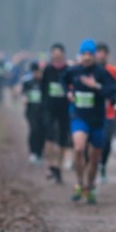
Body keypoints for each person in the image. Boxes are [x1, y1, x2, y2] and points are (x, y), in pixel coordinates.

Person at [63, 39, 116, 205]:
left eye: (90, 54)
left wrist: (97, 86)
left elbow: (114, 93)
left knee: (95, 159)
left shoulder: (102, 73)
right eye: (84, 54)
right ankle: (79, 183)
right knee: (79, 148)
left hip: (97, 120)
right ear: (80, 55)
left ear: (94, 55)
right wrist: (68, 92)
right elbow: (63, 80)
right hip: (79, 117)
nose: (87, 57)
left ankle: (90, 186)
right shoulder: (74, 71)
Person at [41, 43, 71, 184]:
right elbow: (43, 89)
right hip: (49, 109)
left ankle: (58, 167)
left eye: (59, 55)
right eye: (54, 54)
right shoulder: (47, 70)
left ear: (63, 55)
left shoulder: (69, 70)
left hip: (64, 109)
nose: (57, 57)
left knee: (63, 139)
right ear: (52, 55)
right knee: (49, 137)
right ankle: (50, 165)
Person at [95, 42, 116, 183]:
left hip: (109, 113)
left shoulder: (113, 71)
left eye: (103, 53)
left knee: (106, 141)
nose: (100, 55)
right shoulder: (89, 70)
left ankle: (103, 166)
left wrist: (115, 99)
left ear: (107, 55)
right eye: (98, 52)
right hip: (92, 113)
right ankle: (91, 166)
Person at [20, 61, 45, 165]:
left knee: (42, 133)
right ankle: (33, 152)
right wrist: (24, 98)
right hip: (31, 112)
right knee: (34, 131)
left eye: (39, 72)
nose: (37, 74)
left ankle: (39, 154)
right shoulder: (28, 82)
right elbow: (23, 93)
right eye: (35, 72)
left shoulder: (44, 83)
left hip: (43, 112)